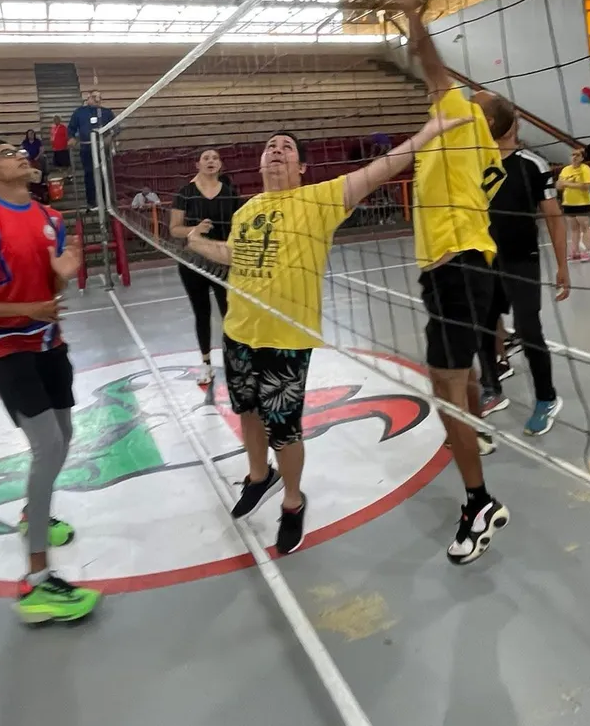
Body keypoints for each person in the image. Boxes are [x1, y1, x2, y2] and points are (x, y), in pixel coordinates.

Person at [183, 115, 464, 555]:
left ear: (300, 169)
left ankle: (292, 502)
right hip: (238, 332)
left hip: (285, 340)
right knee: (247, 411)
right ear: (259, 163)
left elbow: (382, 169)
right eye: (271, 144)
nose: (276, 148)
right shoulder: (246, 210)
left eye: (287, 147)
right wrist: (197, 245)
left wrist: (427, 134)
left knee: (285, 431)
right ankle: (260, 476)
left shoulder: (319, 199)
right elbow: (238, 255)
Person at [0, 138, 97, 624]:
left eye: (21, 150)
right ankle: (37, 584)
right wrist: (25, 310)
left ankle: (33, 516)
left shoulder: (50, 219)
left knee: (66, 436)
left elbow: (51, 288)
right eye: (7, 154)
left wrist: (61, 276)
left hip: (49, 343)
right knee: (49, 447)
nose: (20, 156)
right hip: (6, 349)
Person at [394, 0, 511, 565]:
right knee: (455, 374)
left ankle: (478, 502)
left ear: (480, 116)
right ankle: (479, 429)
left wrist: (415, 15)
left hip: (457, 267)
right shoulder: (480, 149)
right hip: (464, 266)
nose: (466, 93)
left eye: (476, 95)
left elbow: (432, 65)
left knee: (441, 386)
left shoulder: (462, 115)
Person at [476, 111, 570, 435]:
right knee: (483, 325)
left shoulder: (532, 163)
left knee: (529, 329)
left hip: (521, 260)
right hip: (485, 259)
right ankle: (492, 388)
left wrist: (562, 265)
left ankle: (546, 398)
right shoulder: (474, 161)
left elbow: (554, 217)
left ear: (512, 124)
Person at [169, 149, 240, 386]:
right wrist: (193, 230)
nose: (211, 161)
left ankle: (235, 363)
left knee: (229, 314)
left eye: (215, 158)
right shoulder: (185, 193)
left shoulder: (230, 194)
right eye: (206, 158)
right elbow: (173, 229)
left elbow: (236, 230)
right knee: (202, 313)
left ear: (220, 165)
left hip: (222, 262)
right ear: (197, 164)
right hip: (193, 263)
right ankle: (206, 363)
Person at [68, 90, 116, 207]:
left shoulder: (107, 112)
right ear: (88, 98)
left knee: (105, 173)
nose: (97, 99)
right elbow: (71, 128)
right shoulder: (79, 112)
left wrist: (109, 137)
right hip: (87, 148)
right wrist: (72, 138)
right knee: (89, 174)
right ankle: (92, 201)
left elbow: (116, 128)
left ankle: (107, 200)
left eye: (99, 97)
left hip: (102, 148)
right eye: (94, 97)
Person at [556, 146, 590, 261]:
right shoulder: (565, 170)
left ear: (582, 158)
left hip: (582, 203)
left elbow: (586, 186)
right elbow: (558, 185)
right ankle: (575, 252)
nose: (574, 157)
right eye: (572, 155)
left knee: (585, 226)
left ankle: (587, 251)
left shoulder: (585, 169)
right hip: (568, 203)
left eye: (577, 155)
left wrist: (567, 184)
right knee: (573, 228)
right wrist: (564, 183)